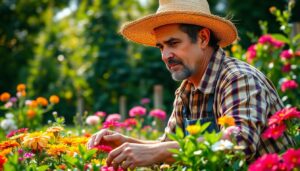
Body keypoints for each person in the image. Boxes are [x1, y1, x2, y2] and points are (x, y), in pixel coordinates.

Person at [87, 0, 294, 170]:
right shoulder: (187, 89)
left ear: (203, 38)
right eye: (161, 47)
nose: (165, 56)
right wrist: (126, 143)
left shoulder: (238, 78)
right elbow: (170, 147)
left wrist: (156, 151)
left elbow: (240, 143)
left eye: (173, 43)